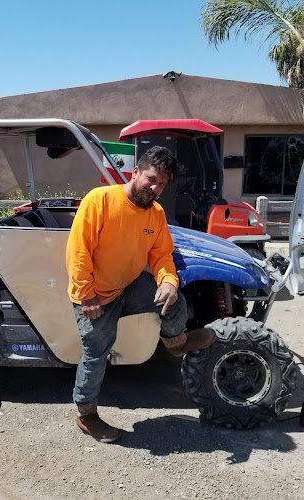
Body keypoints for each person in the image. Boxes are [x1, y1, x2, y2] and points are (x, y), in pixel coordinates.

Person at [66, 145, 216, 443]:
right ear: (135, 172)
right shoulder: (100, 200)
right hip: (96, 295)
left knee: (173, 300)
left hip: (127, 287)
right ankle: (86, 414)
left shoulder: (155, 214)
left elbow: (161, 255)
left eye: (162, 184)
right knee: (96, 355)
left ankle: (176, 344)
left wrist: (168, 281)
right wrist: (86, 295)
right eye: (151, 179)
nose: (155, 188)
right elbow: (78, 251)